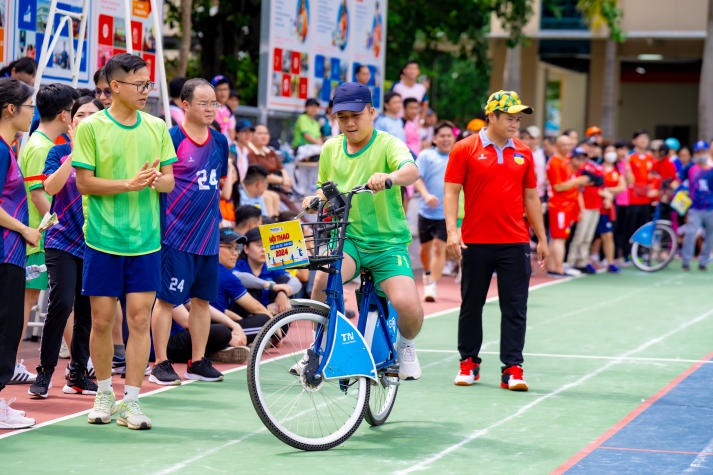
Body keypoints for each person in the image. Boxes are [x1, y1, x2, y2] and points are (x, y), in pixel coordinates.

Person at [73, 53, 176, 430]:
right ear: (114, 87)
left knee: (138, 320)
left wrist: (155, 181)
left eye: (148, 84)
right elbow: (84, 183)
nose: (146, 91)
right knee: (101, 322)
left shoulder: (156, 127)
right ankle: (104, 392)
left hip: (146, 242)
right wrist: (126, 185)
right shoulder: (91, 128)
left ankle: (132, 402)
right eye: (139, 85)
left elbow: (169, 180)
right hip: (102, 240)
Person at [301, 82, 424, 380]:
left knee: (407, 304)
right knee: (322, 282)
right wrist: (315, 197)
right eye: (342, 117)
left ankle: (405, 345)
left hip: (387, 243)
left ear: (371, 112)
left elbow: (411, 171)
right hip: (348, 237)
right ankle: (316, 348)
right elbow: (325, 187)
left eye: (356, 115)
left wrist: (389, 176)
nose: (350, 122)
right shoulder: (330, 147)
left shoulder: (388, 143)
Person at [444, 90, 547, 391]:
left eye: (518, 118)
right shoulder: (465, 148)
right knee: (471, 304)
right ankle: (468, 363)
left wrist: (541, 236)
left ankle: (513, 369)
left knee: (515, 306)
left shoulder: (524, 152)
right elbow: (451, 191)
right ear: (492, 116)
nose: (515, 123)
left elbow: (531, 197)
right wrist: (453, 230)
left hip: (515, 241)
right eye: (510, 117)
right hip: (474, 241)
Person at [150, 78, 230, 386]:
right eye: (204, 103)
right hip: (175, 234)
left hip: (208, 236)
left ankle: (198, 361)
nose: (211, 109)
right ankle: (160, 363)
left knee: (202, 301)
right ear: (184, 105)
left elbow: (220, 183)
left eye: (214, 103)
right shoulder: (170, 138)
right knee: (167, 300)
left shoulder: (220, 141)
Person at [28, 96, 104, 399]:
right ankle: (44, 373)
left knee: (87, 310)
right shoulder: (58, 151)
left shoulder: (107, 154)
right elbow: (50, 188)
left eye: (92, 115)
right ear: (70, 121)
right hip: (61, 239)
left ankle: (77, 375)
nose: (85, 119)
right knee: (61, 302)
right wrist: (74, 152)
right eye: (80, 114)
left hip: (96, 240)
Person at [18, 83, 76, 385]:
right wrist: (57, 228)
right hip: (40, 238)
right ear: (66, 114)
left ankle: (82, 363)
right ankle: (12, 363)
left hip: (43, 237)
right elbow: (39, 195)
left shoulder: (46, 143)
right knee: (26, 303)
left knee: (61, 302)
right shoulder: (42, 147)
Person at [0, 78, 42, 429]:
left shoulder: (8, 147)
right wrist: (24, 228)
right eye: (30, 107)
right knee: (6, 326)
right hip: (4, 253)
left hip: (11, 253)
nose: (34, 113)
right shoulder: (0, 150)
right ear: (11, 109)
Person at [413, 121, 455, 302]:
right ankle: (428, 273)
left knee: (439, 248)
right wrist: (426, 195)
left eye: (449, 136)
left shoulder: (457, 157)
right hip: (426, 211)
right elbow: (416, 178)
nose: (446, 139)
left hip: (446, 214)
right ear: (435, 139)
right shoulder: (425, 155)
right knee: (425, 250)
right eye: (442, 136)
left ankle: (431, 286)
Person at [211, 228, 272, 343]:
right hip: (214, 328)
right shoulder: (223, 273)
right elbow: (256, 308)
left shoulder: (206, 267)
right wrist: (274, 325)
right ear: (214, 247)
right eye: (229, 247)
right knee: (267, 322)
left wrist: (237, 321)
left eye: (236, 248)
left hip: (211, 322)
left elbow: (218, 310)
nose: (235, 253)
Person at [546, 134, 591, 276]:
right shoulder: (555, 163)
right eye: (563, 145)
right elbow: (558, 187)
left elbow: (572, 186)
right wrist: (578, 181)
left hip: (567, 206)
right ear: (557, 146)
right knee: (559, 238)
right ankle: (557, 268)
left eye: (568, 145)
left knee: (559, 238)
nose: (566, 147)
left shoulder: (566, 161)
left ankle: (554, 266)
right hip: (559, 206)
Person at [233, 227, 301, 315]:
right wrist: (271, 286)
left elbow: (296, 282)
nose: (264, 250)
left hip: (271, 312)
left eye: (266, 246)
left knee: (283, 280)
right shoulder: (238, 265)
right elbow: (238, 277)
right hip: (245, 316)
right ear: (246, 249)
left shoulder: (271, 266)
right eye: (259, 245)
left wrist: (282, 292)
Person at [566, 146, 607, 274]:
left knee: (588, 237)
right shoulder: (580, 166)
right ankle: (571, 261)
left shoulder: (596, 166)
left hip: (596, 205)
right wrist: (591, 180)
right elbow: (582, 181)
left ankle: (582, 261)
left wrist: (591, 181)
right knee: (580, 235)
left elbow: (600, 181)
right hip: (584, 205)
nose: (591, 150)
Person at [248, 123, 300, 214]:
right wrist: (282, 181)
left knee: (288, 201)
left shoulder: (270, 151)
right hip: (260, 186)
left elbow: (281, 168)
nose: (264, 136)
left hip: (276, 186)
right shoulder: (250, 152)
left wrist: (286, 180)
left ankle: (305, 225)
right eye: (260, 133)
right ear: (251, 135)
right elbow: (259, 175)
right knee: (275, 198)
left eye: (266, 133)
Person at [681, 142, 713, 271]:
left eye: (704, 151)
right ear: (695, 154)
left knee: (710, 235)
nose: (701, 155)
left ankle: (703, 261)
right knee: (690, 234)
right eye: (699, 152)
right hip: (695, 208)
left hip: (710, 207)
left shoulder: (711, 170)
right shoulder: (690, 169)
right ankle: (686, 261)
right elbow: (679, 183)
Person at [292, 98, 323, 162]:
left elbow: (318, 137)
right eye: (312, 106)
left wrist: (321, 143)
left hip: (312, 148)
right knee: (321, 149)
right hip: (301, 148)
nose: (314, 109)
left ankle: (313, 157)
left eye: (316, 106)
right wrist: (319, 143)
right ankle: (311, 157)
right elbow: (306, 136)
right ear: (306, 108)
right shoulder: (302, 118)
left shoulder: (315, 122)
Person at [210, 75, 236, 143]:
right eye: (219, 89)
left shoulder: (229, 110)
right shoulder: (209, 107)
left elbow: (231, 131)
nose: (223, 93)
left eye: (225, 89)